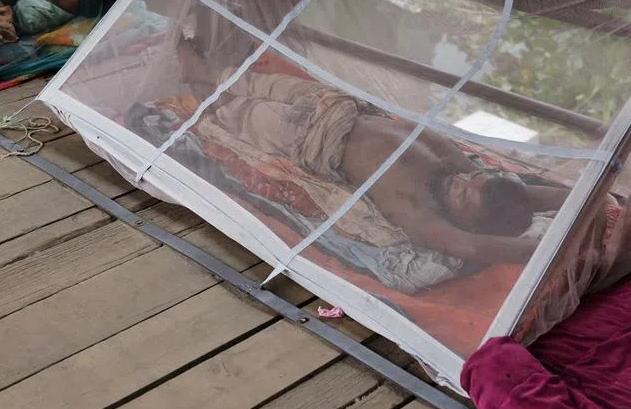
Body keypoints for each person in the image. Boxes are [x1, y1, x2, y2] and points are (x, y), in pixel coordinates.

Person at [172, 36, 567, 266]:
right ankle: (207, 73)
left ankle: (203, 90)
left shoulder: (420, 210)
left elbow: (471, 246)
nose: (462, 182)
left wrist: (546, 251)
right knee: (267, 85)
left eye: (465, 195)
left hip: (312, 141)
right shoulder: (458, 171)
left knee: (246, 114)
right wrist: (586, 200)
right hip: (339, 108)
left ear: (466, 220)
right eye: (472, 179)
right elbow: (522, 194)